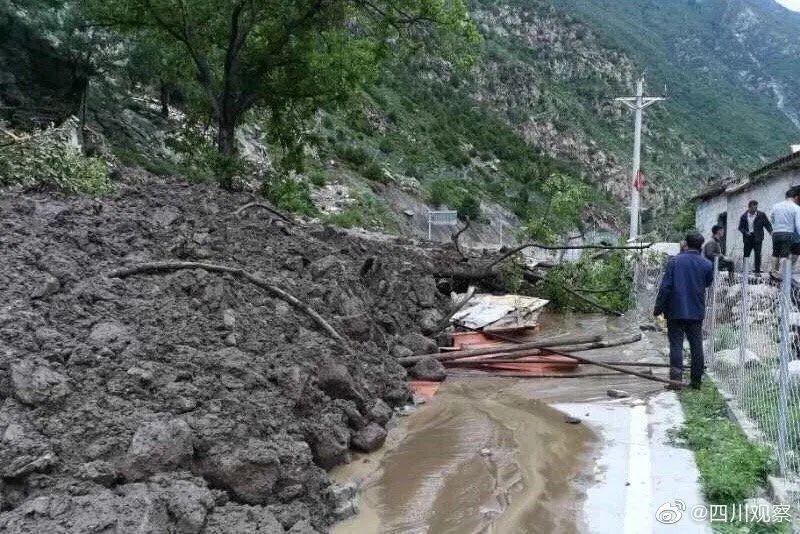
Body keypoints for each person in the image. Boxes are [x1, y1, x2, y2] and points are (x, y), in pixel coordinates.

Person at [654, 232, 714, 389]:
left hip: (675, 311)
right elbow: (707, 283)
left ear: (686, 244)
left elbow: (665, 287)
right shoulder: (707, 264)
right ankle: (696, 382)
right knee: (696, 346)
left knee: (676, 346)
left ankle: (676, 382)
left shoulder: (674, 262)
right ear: (701, 246)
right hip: (696, 311)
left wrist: (658, 308)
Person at [770, 186, 800, 280]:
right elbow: (798, 224)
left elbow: (771, 218)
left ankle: (773, 272)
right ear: (795, 197)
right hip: (787, 233)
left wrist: (777, 226)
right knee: (784, 254)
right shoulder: (796, 207)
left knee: (775, 253)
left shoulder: (776, 205)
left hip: (776, 233)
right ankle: (783, 274)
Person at [738, 200, 772, 273]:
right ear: (749, 207)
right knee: (746, 254)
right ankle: (745, 270)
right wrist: (745, 232)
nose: (755, 210)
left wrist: (770, 231)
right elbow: (740, 228)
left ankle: (757, 271)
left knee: (758, 254)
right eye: (754, 208)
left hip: (758, 237)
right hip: (748, 237)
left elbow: (767, 224)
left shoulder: (761, 215)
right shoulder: (743, 216)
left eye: (756, 208)